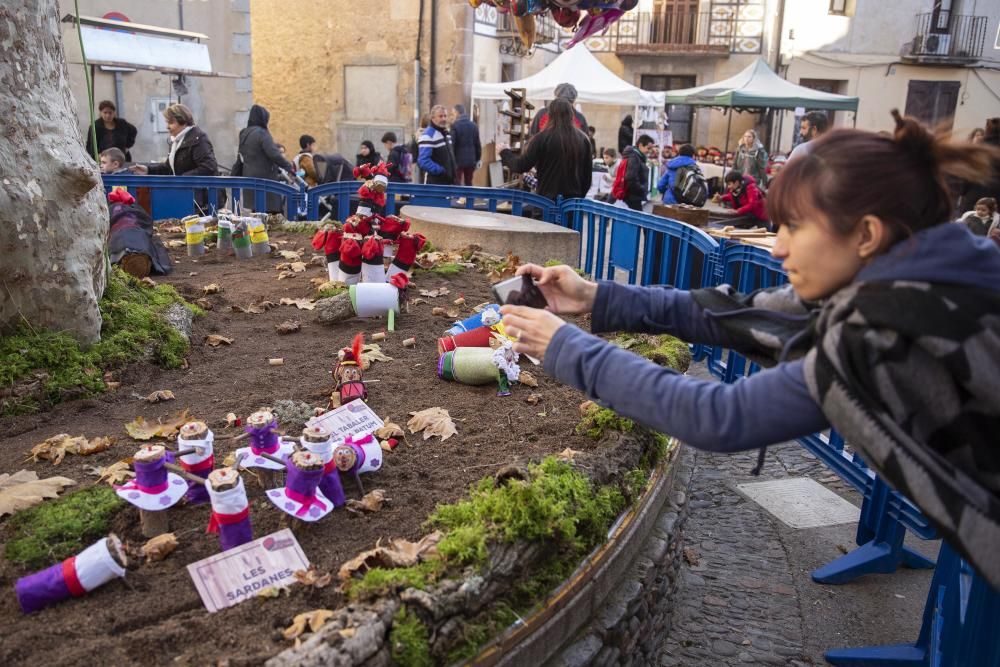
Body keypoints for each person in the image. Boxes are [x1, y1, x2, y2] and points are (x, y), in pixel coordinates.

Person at [500, 110, 1000, 590]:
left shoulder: (879, 332)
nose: (778, 247)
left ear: (867, 234)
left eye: (795, 227)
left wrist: (564, 346)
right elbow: (739, 313)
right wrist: (594, 296)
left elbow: (719, 416)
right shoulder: (943, 277)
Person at [499, 98, 592, 201]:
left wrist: (504, 152)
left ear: (550, 115)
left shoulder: (541, 138)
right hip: (572, 202)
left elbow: (521, 166)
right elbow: (587, 177)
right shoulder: (583, 140)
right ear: (571, 115)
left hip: (545, 201)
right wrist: (578, 197)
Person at [130, 103, 218, 211]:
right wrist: (148, 169)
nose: (167, 127)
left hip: (200, 200)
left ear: (183, 121)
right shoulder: (176, 141)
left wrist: (181, 179)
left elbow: (209, 166)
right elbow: (168, 168)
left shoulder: (198, 138)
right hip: (185, 195)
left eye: (171, 122)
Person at [233, 104, 294, 213]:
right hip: (265, 182)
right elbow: (274, 154)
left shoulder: (244, 133)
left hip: (250, 181)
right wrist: (289, 167)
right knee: (272, 216)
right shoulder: (262, 133)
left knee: (257, 214)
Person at [957, 117, 1000, 213]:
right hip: (996, 202)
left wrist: (963, 192)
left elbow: (966, 177)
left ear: (987, 130)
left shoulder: (976, 150)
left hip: (973, 200)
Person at [418, 105, 457, 186]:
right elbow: (423, 161)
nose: (443, 119)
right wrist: (441, 171)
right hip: (435, 185)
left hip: (449, 183)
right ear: (433, 118)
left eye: (445, 116)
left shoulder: (446, 134)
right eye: (440, 116)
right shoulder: (428, 135)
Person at [616, 134, 656, 210]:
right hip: (633, 197)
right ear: (640, 145)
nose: (650, 151)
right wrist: (641, 188)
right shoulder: (634, 157)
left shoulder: (637, 156)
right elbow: (630, 177)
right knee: (637, 219)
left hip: (633, 196)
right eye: (648, 148)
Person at [450, 104, 481, 186]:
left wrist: (451, 160)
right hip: (471, 160)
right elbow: (477, 144)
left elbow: (452, 145)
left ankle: (457, 198)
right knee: (469, 182)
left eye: (453, 114)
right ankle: (469, 198)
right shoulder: (474, 126)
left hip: (458, 160)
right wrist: (478, 159)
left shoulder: (454, 126)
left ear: (457, 113)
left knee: (457, 182)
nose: (452, 116)